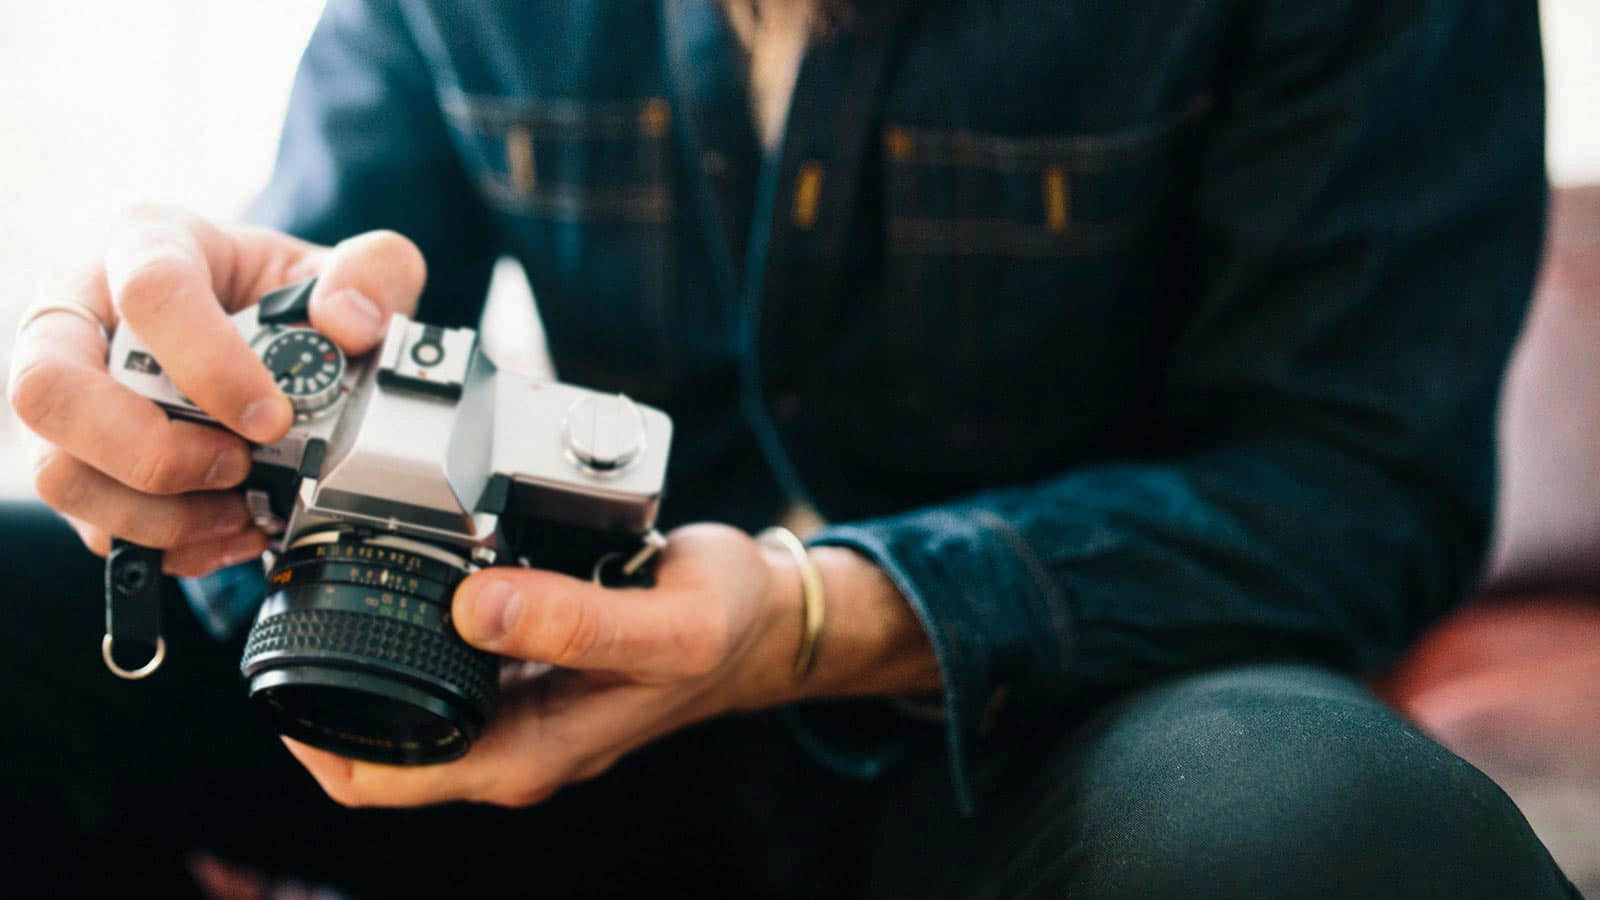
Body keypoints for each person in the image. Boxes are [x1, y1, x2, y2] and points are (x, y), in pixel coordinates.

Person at [1, 1, 1583, 896]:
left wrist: (818, 613)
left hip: (1063, 725)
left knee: (1338, 843)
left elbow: (1359, 492)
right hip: (554, 715)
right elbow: (342, 289)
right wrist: (204, 443)